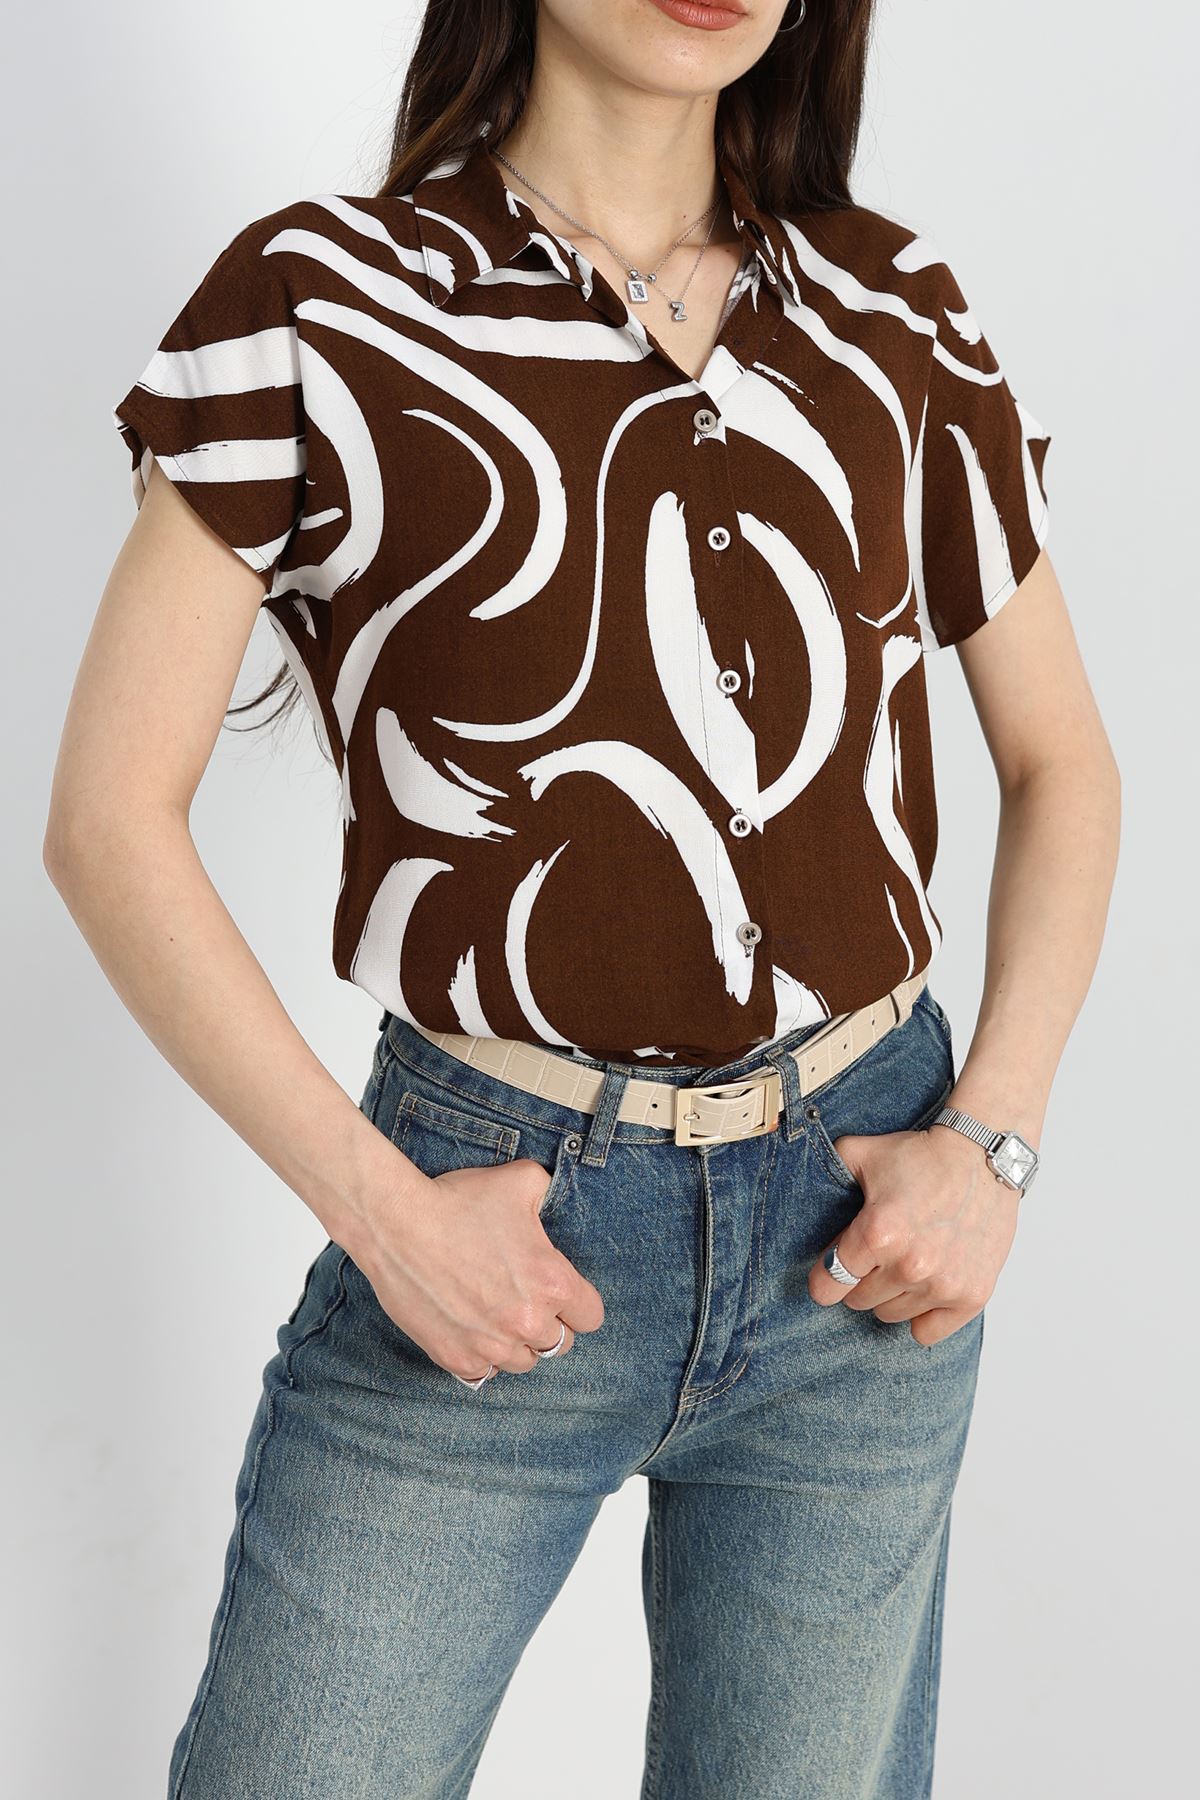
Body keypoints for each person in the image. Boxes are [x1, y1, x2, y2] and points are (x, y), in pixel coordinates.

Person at [44, 1, 1120, 1795]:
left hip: (862, 1237)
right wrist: (386, 1221)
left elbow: (1064, 764)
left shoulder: (892, 308)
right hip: (492, 1211)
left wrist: (991, 1142)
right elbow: (106, 824)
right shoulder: (318, 303)